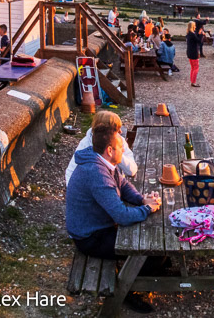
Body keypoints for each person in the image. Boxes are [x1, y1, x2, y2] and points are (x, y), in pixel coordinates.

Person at [65, 124, 160, 312]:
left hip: (100, 226)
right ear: (110, 150)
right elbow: (121, 215)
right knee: (152, 252)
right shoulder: (96, 173)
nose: (124, 149)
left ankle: (151, 274)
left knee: (155, 249)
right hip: (90, 238)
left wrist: (141, 199)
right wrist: (148, 209)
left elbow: (123, 185)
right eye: (121, 146)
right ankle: (127, 292)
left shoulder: (102, 161)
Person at [65, 111, 138, 184]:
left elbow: (132, 171)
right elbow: (70, 172)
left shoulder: (120, 140)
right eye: (116, 129)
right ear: (106, 130)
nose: (121, 132)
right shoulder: (86, 144)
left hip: (116, 184)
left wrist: (117, 152)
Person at [185, 21, 203, 88]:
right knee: (196, 68)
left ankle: (192, 81)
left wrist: (198, 34)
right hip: (194, 52)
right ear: (192, 26)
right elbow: (199, 41)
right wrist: (201, 34)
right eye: (194, 26)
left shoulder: (189, 34)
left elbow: (195, 39)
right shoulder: (192, 34)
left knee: (192, 68)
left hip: (189, 52)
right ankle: (193, 82)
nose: (195, 27)